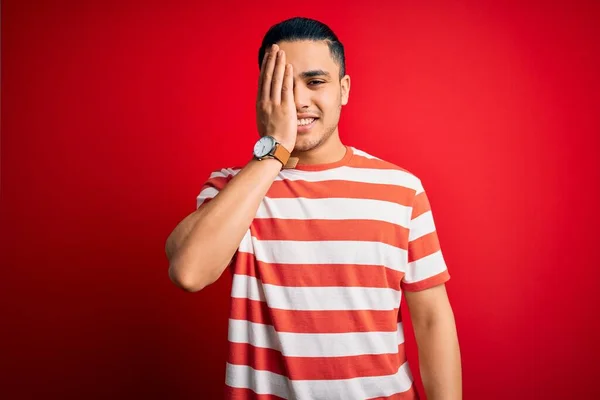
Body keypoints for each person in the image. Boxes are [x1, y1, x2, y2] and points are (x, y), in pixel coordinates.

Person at [165, 16, 462, 400]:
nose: (300, 100)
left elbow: (433, 320)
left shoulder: (401, 190)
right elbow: (188, 271)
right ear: (263, 94)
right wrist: (273, 151)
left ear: (344, 89)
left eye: (315, 81)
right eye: (283, 86)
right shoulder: (234, 189)